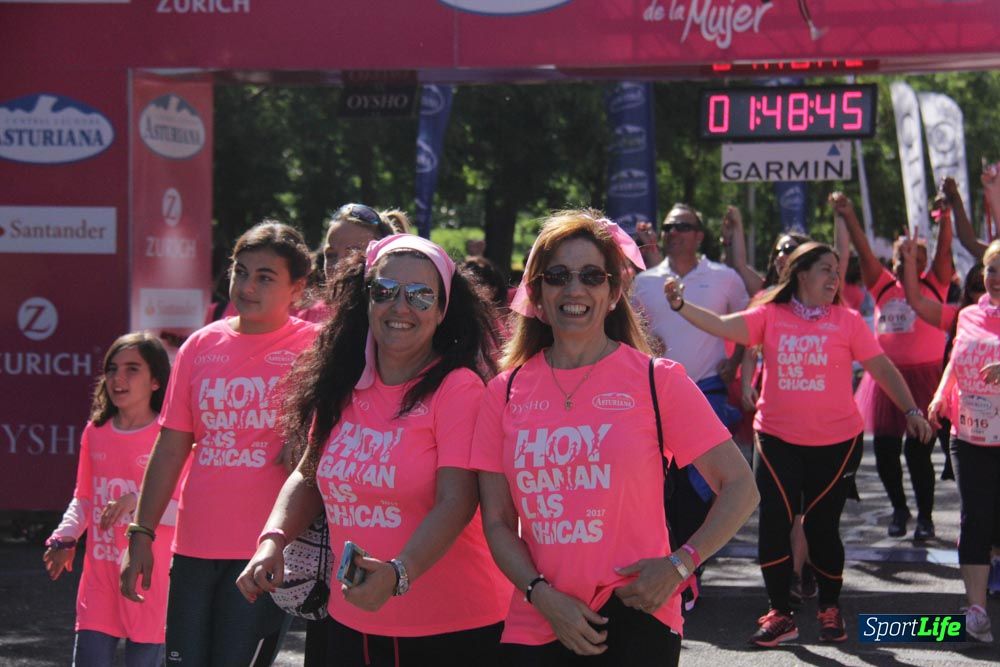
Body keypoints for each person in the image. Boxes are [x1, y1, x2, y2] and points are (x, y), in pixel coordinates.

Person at [473, 209, 759, 665]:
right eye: (558, 276)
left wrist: (680, 566)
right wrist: (541, 595)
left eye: (591, 275)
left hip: (638, 613)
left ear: (613, 293)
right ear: (537, 295)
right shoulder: (502, 392)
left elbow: (741, 488)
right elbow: (498, 524)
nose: (574, 289)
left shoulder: (655, 380)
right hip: (539, 615)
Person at [236, 234, 510, 667]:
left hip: (454, 629)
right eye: (385, 291)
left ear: (442, 311)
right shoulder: (343, 383)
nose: (401, 307)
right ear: (366, 300)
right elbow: (308, 475)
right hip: (353, 622)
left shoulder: (459, 388)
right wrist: (271, 541)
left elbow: (457, 500)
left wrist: (399, 574)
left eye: (421, 295)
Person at [664, 241, 934, 646]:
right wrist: (681, 306)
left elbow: (880, 367)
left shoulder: (847, 321)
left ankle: (829, 606)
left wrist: (913, 411)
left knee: (823, 528)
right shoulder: (770, 315)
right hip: (776, 439)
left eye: (836, 271)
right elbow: (725, 325)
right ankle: (780, 612)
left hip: (838, 442)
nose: (834, 278)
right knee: (773, 523)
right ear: (801, 274)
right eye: (825, 269)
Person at [120, 221, 320, 666]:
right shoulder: (199, 345)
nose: (246, 286)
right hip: (193, 548)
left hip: (266, 551)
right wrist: (141, 534)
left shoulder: (315, 351)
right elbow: (172, 447)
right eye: (240, 271)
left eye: (264, 277)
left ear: (298, 287)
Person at [44, 333, 172, 666]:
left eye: (132, 369)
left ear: (156, 380)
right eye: (112, 369)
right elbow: (84, 498)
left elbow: (182, 508)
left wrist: (136, 501)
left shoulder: (169, 436)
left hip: (149, 579)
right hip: (99, 579)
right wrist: (65, 537)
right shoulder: (95, 432)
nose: (118, 378)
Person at [836, 191, 951, 540]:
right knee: (885, 452)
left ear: (924, 257)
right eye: (901, 251)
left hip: (925, 379)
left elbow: (945, 249)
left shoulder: (935, 281)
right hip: (886, 381)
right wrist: (848, 212)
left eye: (912, 251)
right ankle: (900, 509)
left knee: (917, 453)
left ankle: (926, 517)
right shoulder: (884, 284)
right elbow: (864, 250)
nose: (905, 255)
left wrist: (945, 215)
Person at [928, 238, 1000, 643]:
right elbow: (956, 358)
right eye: (991, 269)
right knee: (975, 517)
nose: (997, 279)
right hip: (968, 432)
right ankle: (976, 611)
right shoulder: (969, 315)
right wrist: (941, 395)